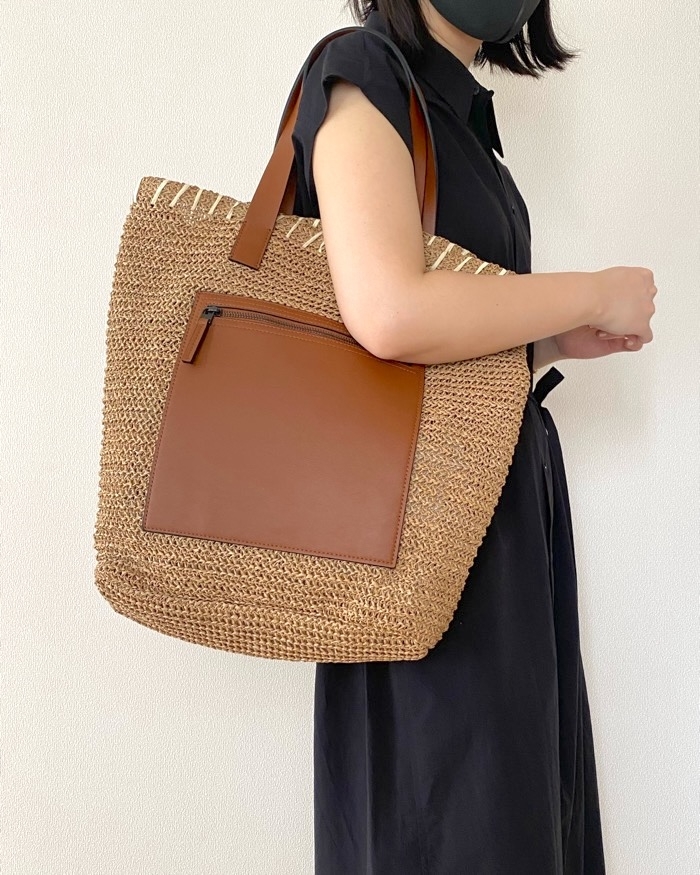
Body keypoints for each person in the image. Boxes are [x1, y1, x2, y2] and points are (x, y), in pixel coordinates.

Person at [290, 1, 657, 872]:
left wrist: (549, 343)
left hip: (496, 535)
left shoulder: (452, 115)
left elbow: (437, 348)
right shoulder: (363, 71)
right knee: (454, 823)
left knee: (516, 823)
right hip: (425, 551)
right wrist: (588, 293)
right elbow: (387, 310)